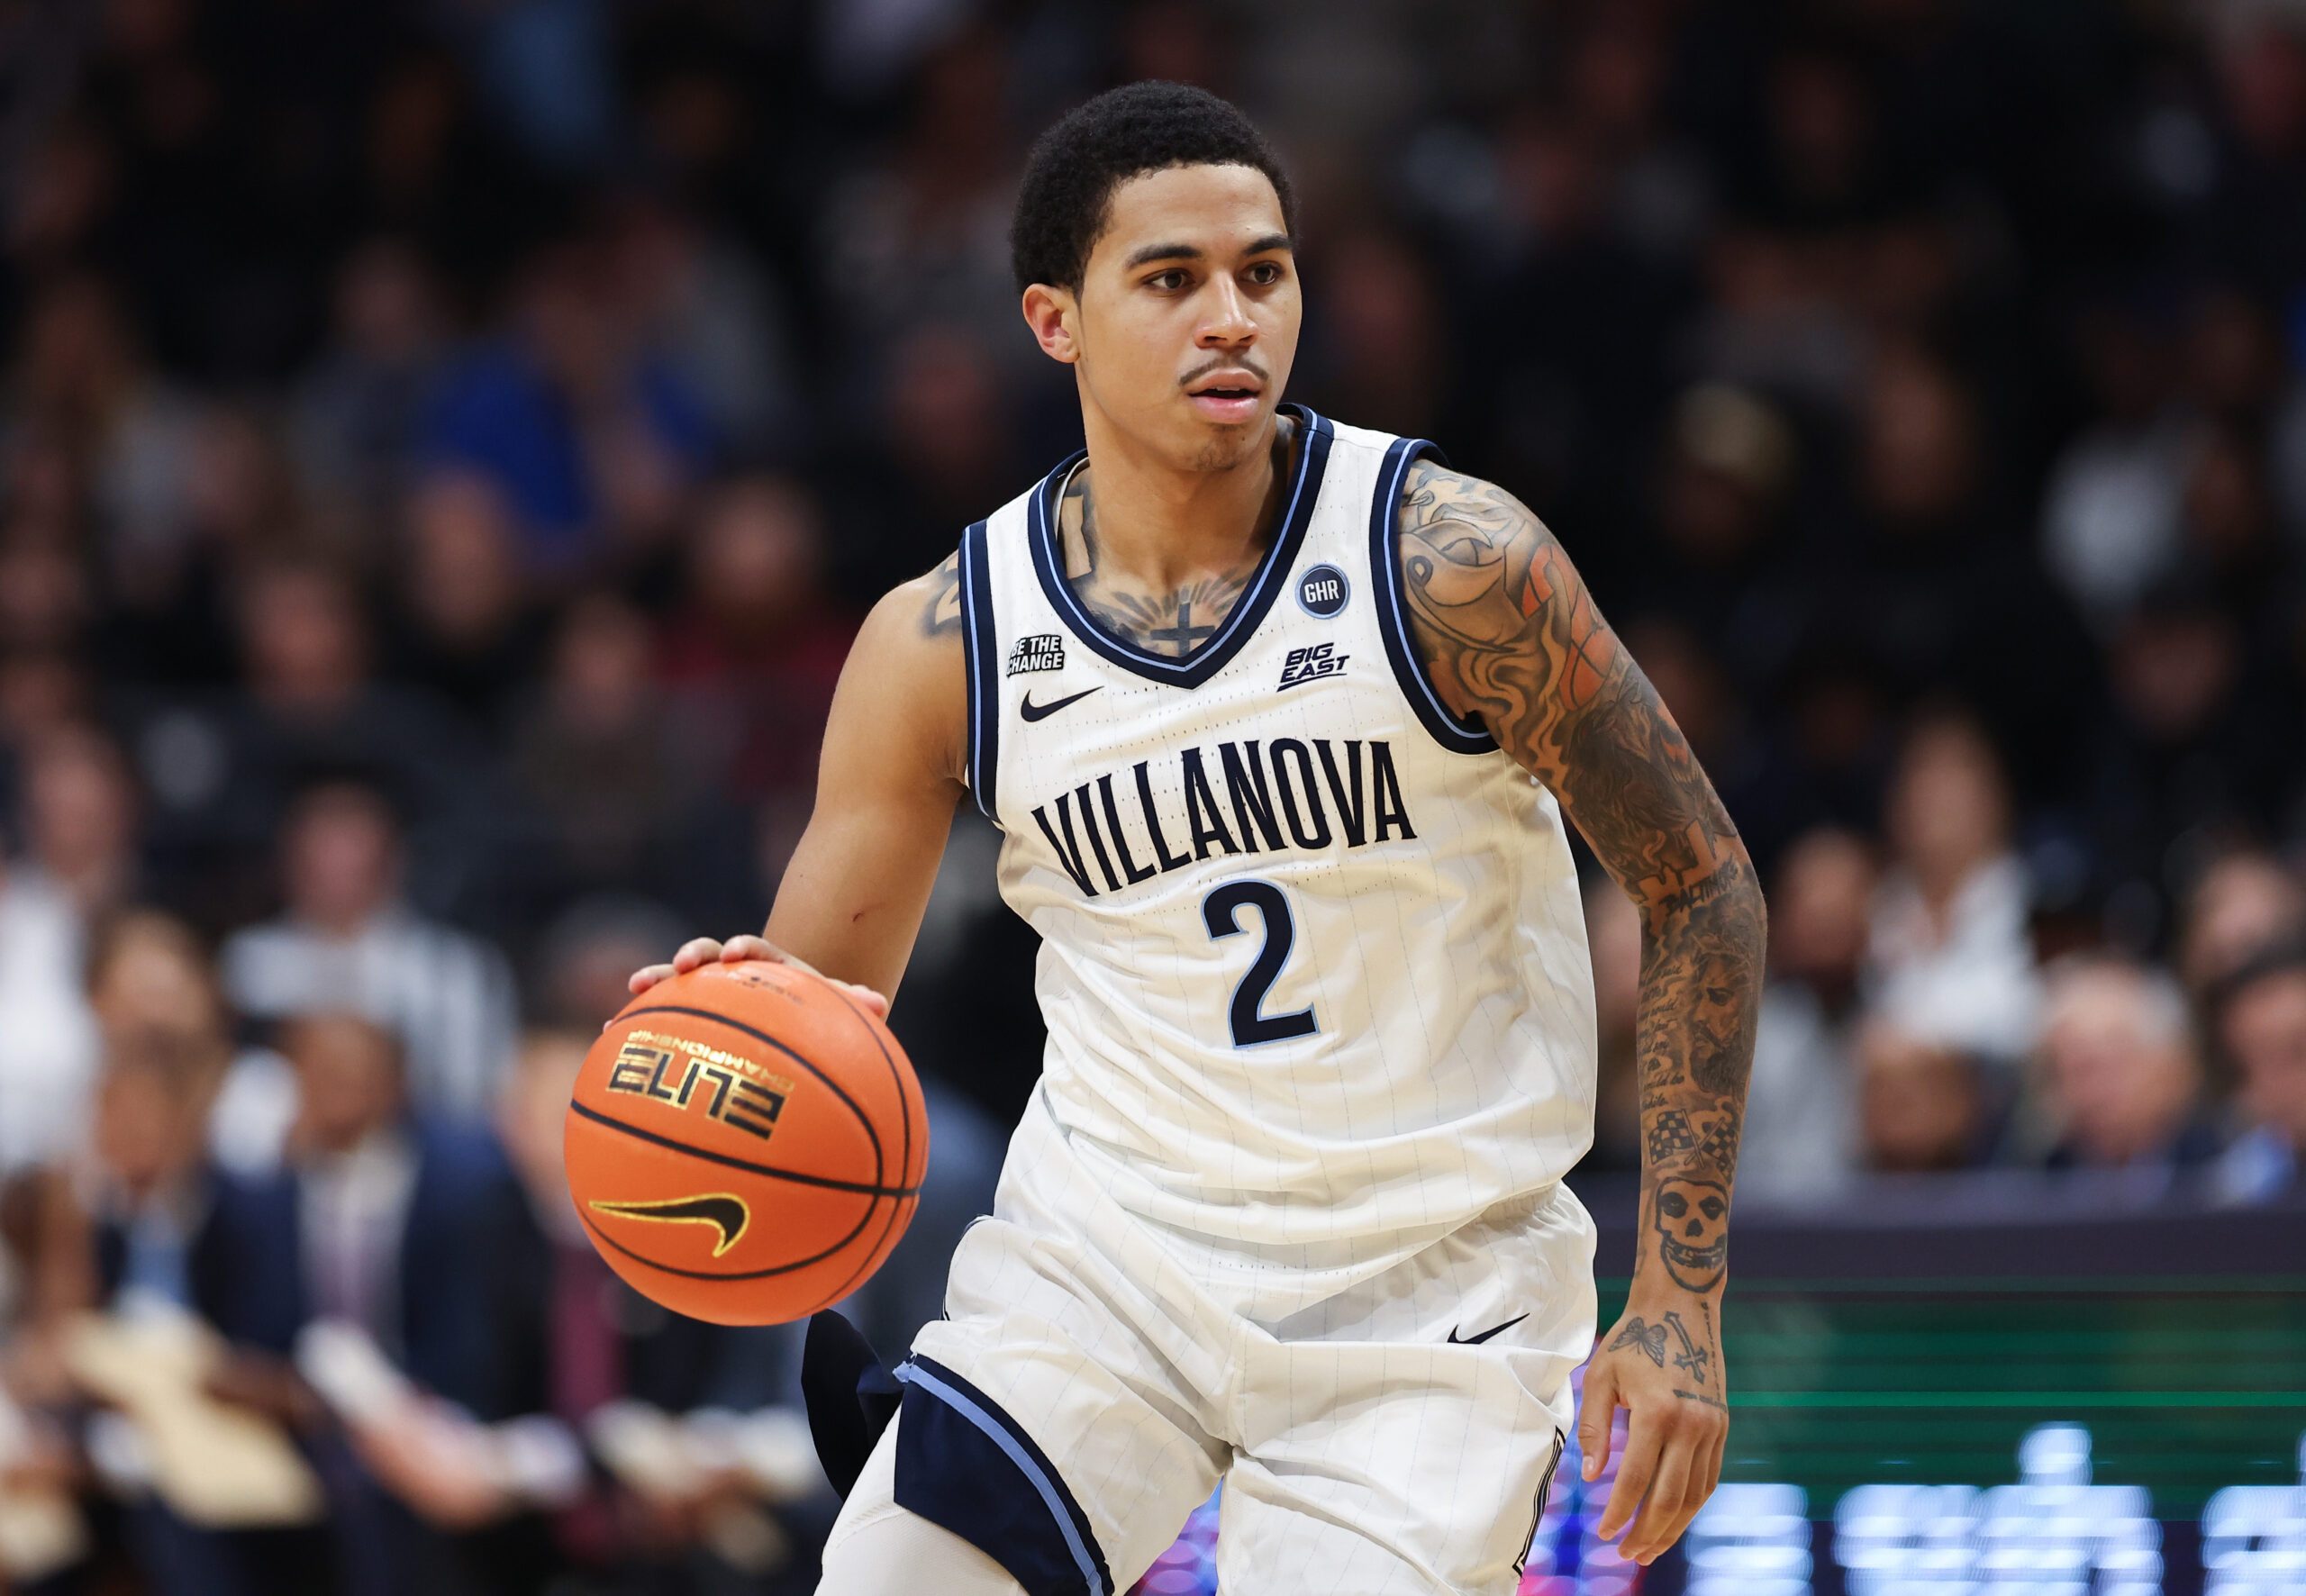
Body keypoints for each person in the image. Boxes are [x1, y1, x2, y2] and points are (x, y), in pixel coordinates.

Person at [630, 83, 1766, 1595]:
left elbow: (1701, 887)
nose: (1231, 316)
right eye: (1170, 279)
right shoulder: (945, 643)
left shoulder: (1450, 562)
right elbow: (817, 1012)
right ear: (1056, 319)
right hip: (1111, 1261)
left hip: (1426, 1285)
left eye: (1264, 271)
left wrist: (1680, 1296)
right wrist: (734, 1034)